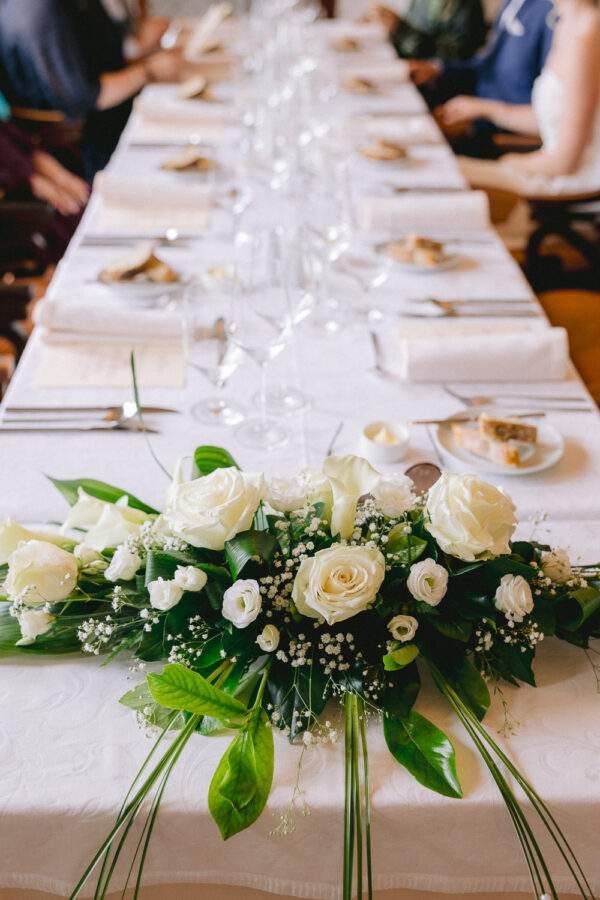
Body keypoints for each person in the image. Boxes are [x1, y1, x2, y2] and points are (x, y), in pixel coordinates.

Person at [0, 0, 183, 179]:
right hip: (83, 144)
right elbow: (88, 96)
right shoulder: (41, 10)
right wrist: (150, 71)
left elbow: (99, 54)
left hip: (106, 119)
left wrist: (137, 49)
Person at [454, 0, 600, 196]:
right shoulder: (565, 23)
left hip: (572, 181)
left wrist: (513, 162)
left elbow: (566, 162)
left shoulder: (587, 33)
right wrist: (489, 111)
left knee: (447, 177)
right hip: (551, 166)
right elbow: (554, 120)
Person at [410, 0, 556, 157]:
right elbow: (487, 63)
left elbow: (549, 111)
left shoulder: (553, 13)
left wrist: (482, 112)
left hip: (501, 128)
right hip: (476, 102)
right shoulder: (513, 3)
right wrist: (435, 69)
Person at [365, 0, 486, 62]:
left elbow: (455, 55)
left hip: (438, 84)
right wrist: (387, 25)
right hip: (411, 66)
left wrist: (400, 29)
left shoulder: (466, 4)